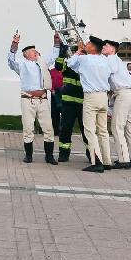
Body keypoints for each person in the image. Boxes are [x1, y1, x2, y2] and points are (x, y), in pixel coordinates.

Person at [67, 37, 113, 173]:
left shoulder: (84, 59)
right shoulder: (105, 61)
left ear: (93, 47)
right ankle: (107, 161)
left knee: (90, 130)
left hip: (91, 97)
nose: (85, 45)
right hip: (103, 96)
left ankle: (96, 161)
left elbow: (70, 63)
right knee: (103, 130)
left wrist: (79, 50)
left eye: (88, 44)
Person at [7, 32, 55, 164]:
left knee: (48, 128)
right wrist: (15, 44)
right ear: (26, 54)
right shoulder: (22, 65)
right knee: (28, 128)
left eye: (36, 51)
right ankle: (28, 155)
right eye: (33, 51)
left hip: (43, 100)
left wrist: (56, 42)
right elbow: (11, 60)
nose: (36, 53)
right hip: (28, 100)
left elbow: (53, 56)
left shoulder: (42, 63)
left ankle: (49, 156)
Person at [103, 38, 131, 169]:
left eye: (105, 46)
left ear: (112, 49)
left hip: (122, 94)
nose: (103, 48)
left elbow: (107, 72)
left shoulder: (111, 59)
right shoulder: (117, 59)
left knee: (117, 127)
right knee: (129, 128)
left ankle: (124, 159)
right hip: (130, 94)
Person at [52, 34, 86, 163]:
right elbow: (58, 67)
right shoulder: (70, 63)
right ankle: (64, 153)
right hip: (69, 101)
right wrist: (61, 54)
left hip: (84, 102)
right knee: (65, 128)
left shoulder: (87, 63)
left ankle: (90, 153)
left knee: (86, 130)